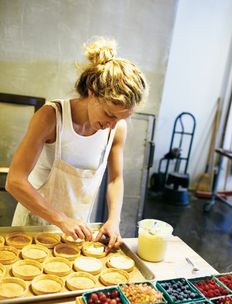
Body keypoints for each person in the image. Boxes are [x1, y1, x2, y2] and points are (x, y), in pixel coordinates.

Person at [6, 37, 148, 252]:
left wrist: (113, 220)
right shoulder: (51, 117)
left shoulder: (116, 128)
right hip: (33, 226)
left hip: (77, 230)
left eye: (120, 119)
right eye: (109, 114)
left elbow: (115, 178)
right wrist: (61, 220)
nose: (112, 125)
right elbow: (15, 181)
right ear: (92, 92)